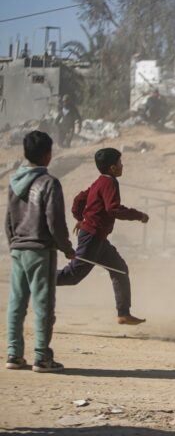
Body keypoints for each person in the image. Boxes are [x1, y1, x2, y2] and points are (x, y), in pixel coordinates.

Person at [5, 130, 75, 372]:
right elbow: (55, 221)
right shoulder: (49, 183)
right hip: (40, 250)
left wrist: (13, 243)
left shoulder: (14, 182)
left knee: (16, 303)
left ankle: (13, 354)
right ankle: (42, 356)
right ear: (48, 154)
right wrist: (67, 248)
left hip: (18, 248)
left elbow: (8, 220)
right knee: (43, 305)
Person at [56, 148, 148, 325]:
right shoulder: (110, 183)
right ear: (113, 168)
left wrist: (80, 218)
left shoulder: (99, 181)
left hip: (97, 238)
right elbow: (113, 209)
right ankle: (36, 279)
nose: (123, 166)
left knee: (119, 269)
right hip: (92, 237)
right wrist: (139, 215)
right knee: (73, 275)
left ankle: (123, 313)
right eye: (120, 163)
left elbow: (78, 201)